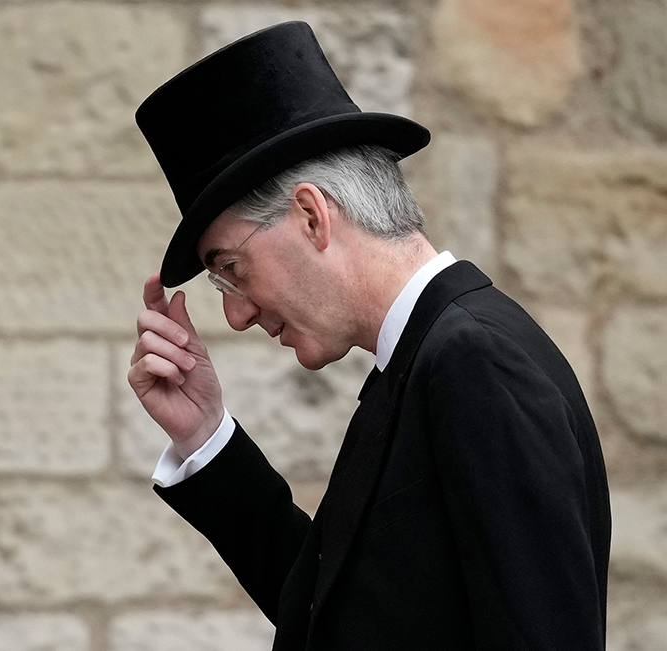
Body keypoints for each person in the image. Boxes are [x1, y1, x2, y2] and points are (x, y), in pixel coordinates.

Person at [127, 21, 610, 651]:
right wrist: (204, 436)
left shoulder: (475, 362)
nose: (238, 317)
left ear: (311, 215)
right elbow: (338, 619)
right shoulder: (420, 359)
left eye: (232, 271)